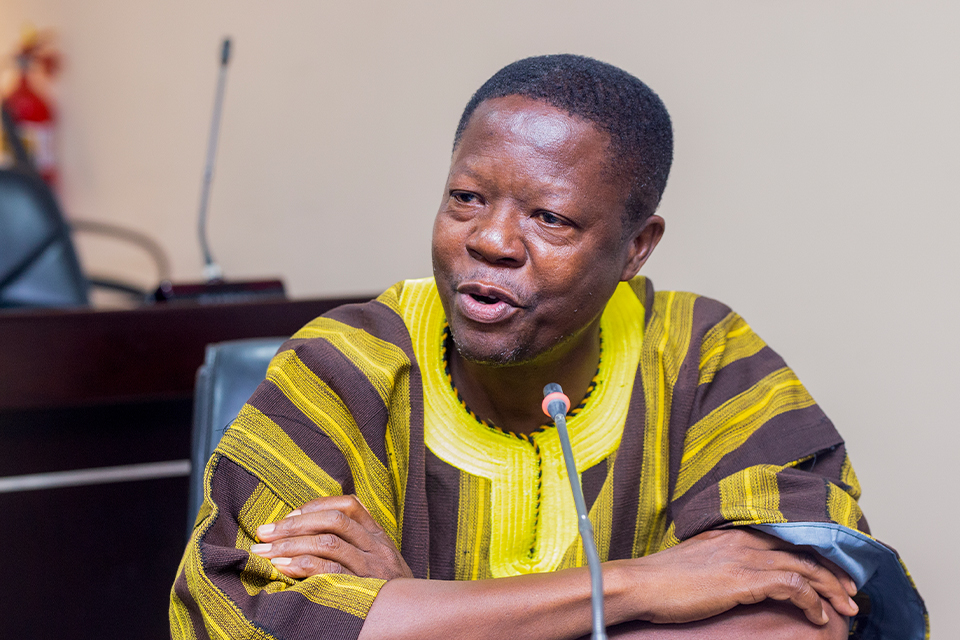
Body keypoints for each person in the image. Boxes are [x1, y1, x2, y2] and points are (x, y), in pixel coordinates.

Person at [171, 55, 926, 639]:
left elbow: (799, 614)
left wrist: (415, 612)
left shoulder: (704, 358)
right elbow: (241, 621)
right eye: (466, 198)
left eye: (550, 219)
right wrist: (633, 586)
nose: (491, 240)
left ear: (637, 247)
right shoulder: (344, 367)